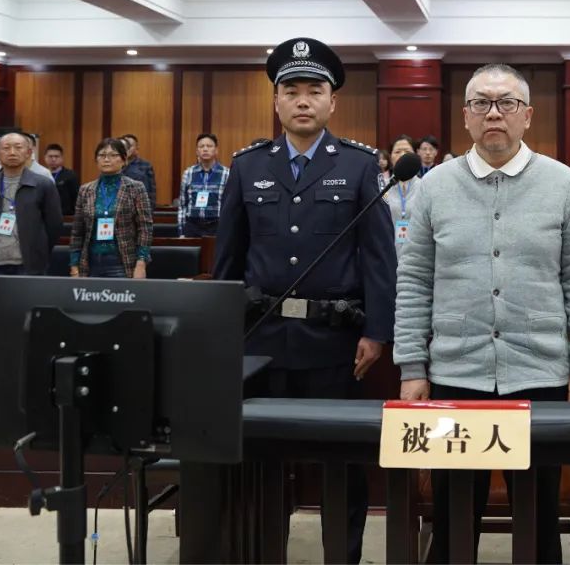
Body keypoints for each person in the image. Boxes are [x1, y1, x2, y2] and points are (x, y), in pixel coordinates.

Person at [394, 63, 570, 565]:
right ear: (465, 116)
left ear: (527, 115)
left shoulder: (561, 181)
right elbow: (414, 280)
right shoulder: (435, 186)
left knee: (539, 519)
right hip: (455, 374)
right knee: (452, 518)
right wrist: (411, 366)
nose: (494, 113)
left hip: (540, 374)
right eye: (481, 103)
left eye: (506, 103)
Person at [213, 37, 396, 564]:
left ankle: (344, 555)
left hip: (334, 343)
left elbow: (378, 259)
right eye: (291, 91)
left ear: (332, 102)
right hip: (261, 340)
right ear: (276, 102)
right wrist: (222, 334)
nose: (302, 101)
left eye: (314, 91)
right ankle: (264, 552)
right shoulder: (247, 166)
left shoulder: (359, 165)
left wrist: (377, 332)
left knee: (341, 460)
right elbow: (229, 259)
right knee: (262, 461)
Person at [0, 131, 62, 275]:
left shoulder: (43, 184)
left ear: (28, 153)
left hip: (30, 265)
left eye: (18, 147)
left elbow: (54, 225)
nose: (12, 152)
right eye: (6, 148)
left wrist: (39, 250)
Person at [69, 138, 153, 278]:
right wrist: (74, 266)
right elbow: (77, 231)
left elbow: (145, 228)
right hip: (90, 262)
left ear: (124, 160)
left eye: (113, 155)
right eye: (102, 155)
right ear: (96, 160)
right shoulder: (85, 190)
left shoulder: (136, 188)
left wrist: (141, 263)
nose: (106, 159)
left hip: (122, 261)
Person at [177, 133, 228, 237]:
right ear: (197, 151)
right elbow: (182, 205)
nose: (205, 149)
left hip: (216, 226)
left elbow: (229, 206)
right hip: (192, 226)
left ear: (216, 150)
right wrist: (181, 232)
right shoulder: (188, 173)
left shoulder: (226, 174)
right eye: (201, 146)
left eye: (209, 146)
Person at [382, 135, 420, 257]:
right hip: (388, 253)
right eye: (397, 152)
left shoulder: (425, 186)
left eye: (407, 152)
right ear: (390, 156)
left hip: (417, 254)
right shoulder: (382, 187)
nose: (402, 155)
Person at [120, 133, 157, 209]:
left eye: (130, 146)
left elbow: (152, 190)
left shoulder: (145, 165)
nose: (127, 148)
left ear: (137, 148)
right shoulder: (116, 164)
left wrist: (150, 209)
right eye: (125, 146)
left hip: (140, 207)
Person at [44, 143, 80, 216]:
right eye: (50, 156)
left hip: (65, 216)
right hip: (44, 216)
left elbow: (76, 199)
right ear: (45, 157)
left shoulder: (70, 175)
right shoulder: (40, 174)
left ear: (62, 158)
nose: (53, 159)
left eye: (56, 156)